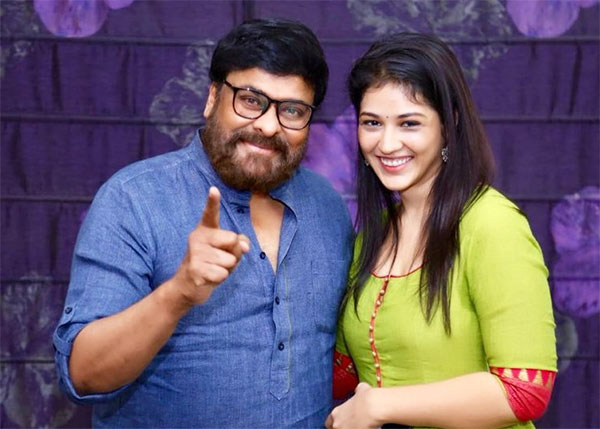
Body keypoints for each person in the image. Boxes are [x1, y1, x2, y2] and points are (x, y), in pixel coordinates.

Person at [53, 18, 354, 428]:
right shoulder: (134, 199)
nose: (268, 125)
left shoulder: (327, 206)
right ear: (213, 97)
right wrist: (177, 294)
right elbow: (83, 375)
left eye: (292, 110)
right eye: (251, 100)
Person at [326, 33, 557, 429]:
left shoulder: (492, 223)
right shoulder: (371, 237)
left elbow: (524, 390)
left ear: (449, 125)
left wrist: (379, 405)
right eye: (372, 123)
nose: (387, 143)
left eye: (409, 123)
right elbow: (346, 372)